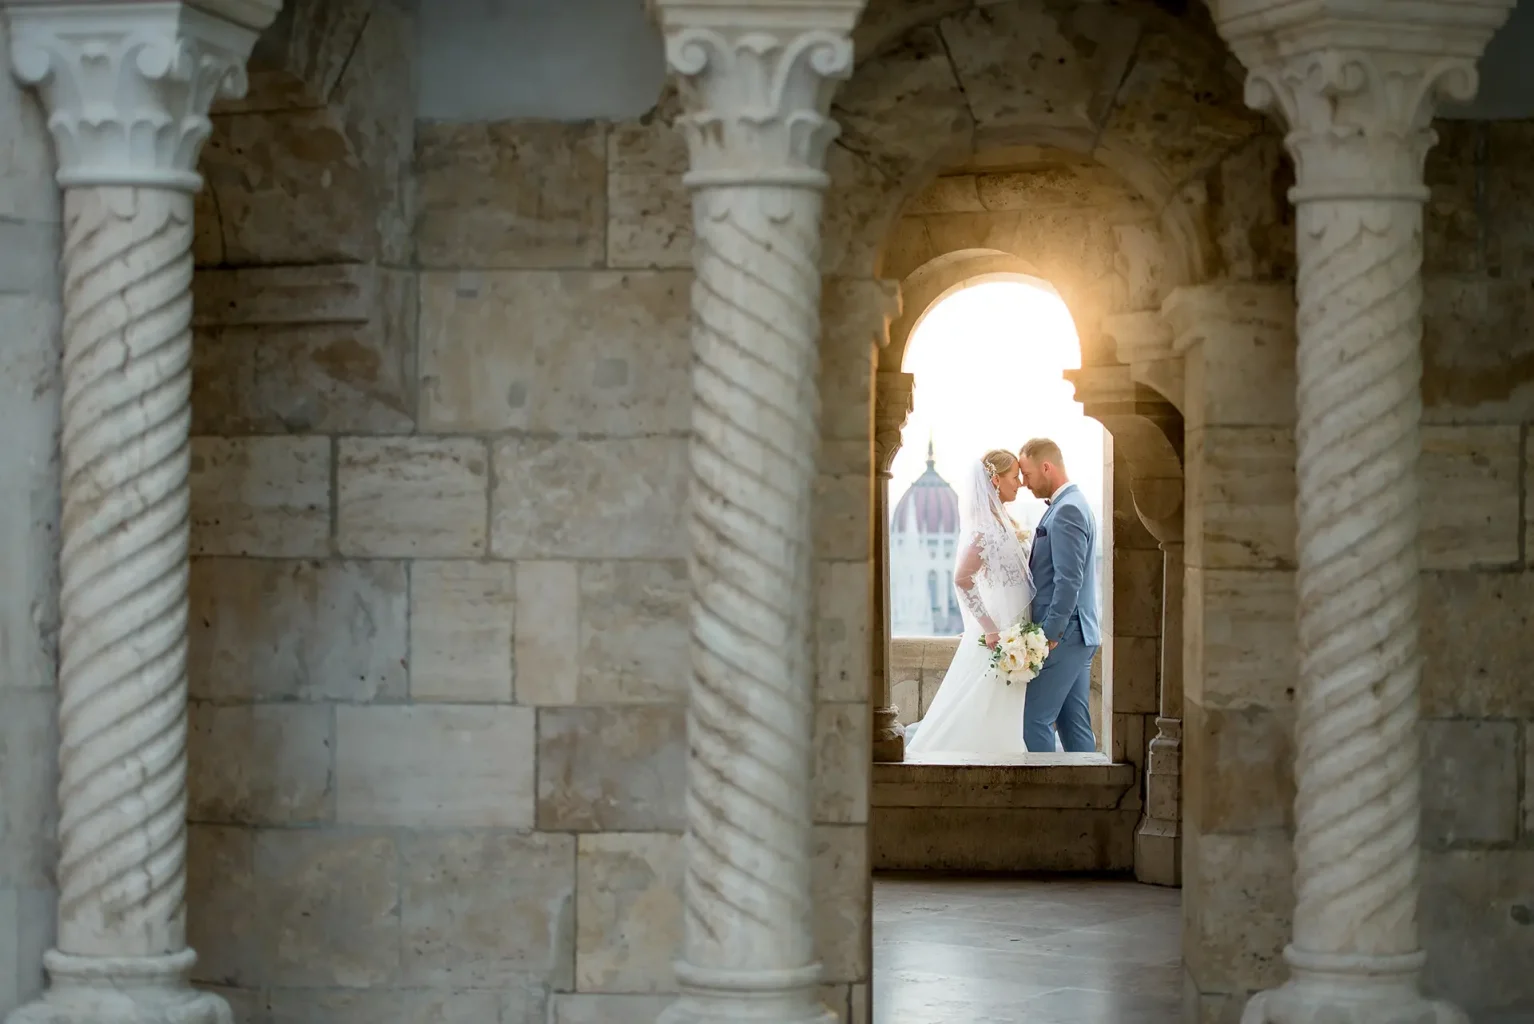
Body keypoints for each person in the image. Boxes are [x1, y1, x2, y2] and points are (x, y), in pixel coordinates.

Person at [904, 449, 1037, 757]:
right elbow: (962, 579)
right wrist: (989, 629)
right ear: (995, 480)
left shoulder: (1004, 521)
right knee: (982, 705)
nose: (1020, 483)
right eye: (1014, 476)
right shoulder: (983, 530)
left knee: (1003, 708)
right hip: (999, 636)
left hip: (1016, 629)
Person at [1017, 437, 1100, 753]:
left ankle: (1042, 799)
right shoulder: (1073, 504)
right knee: (1073, 726)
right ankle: (1090, 800)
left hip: (1065, 635)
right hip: (1078, 634)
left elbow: (1069, 581)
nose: (1025, 483)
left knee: (1033, 721)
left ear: (1046, 467)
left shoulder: (1066, 510)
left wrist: (1049, 634)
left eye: (1027, 474)